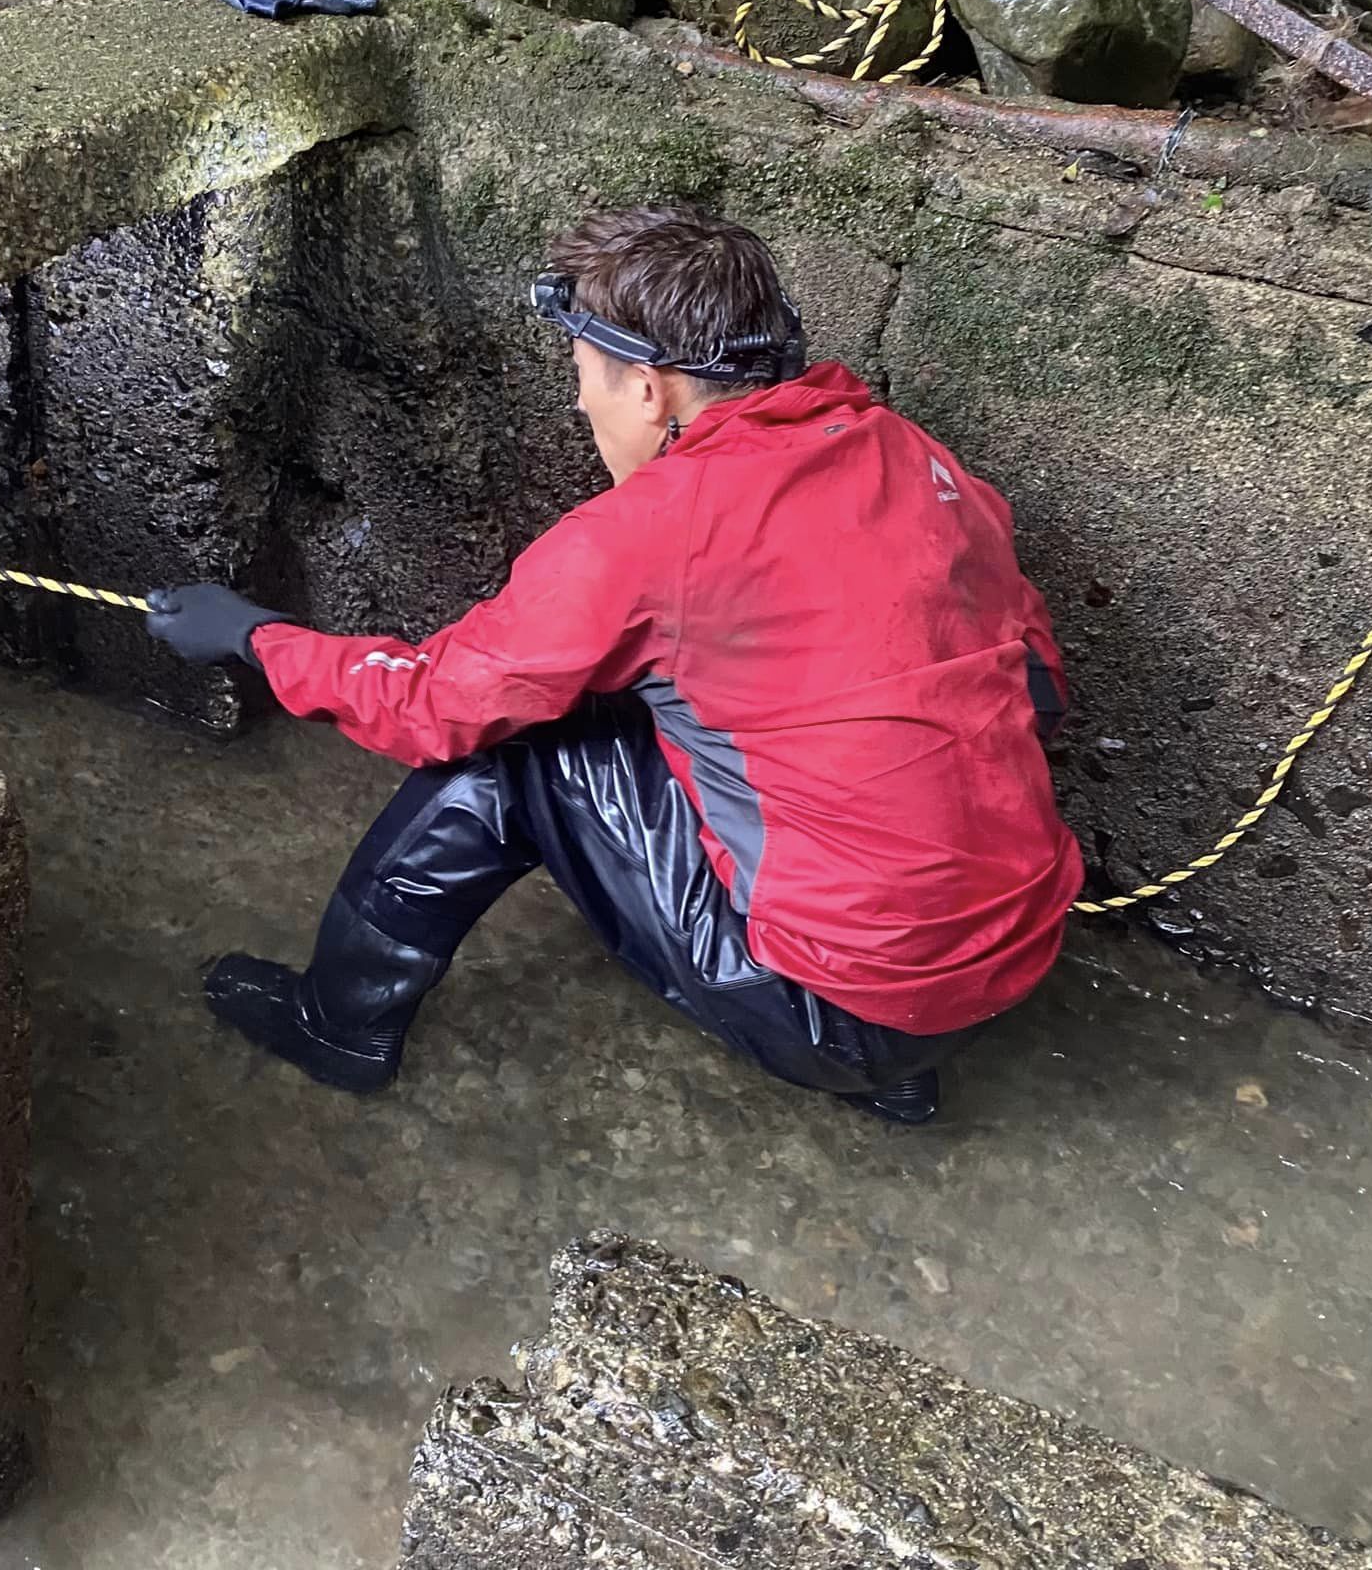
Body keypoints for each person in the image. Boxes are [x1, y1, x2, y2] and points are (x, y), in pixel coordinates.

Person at [145, 204, 1082, 1124]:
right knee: (669, 720)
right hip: (1008, 966)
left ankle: (337, 1025)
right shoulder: (911, 456)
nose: (578, 399)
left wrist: (254, 638)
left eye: (585, 373)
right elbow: (1036, 687)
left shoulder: (644, 535)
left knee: (518, 745)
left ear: (650, 390)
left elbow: (436, 705)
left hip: (830, 1010)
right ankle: (895, 1071)